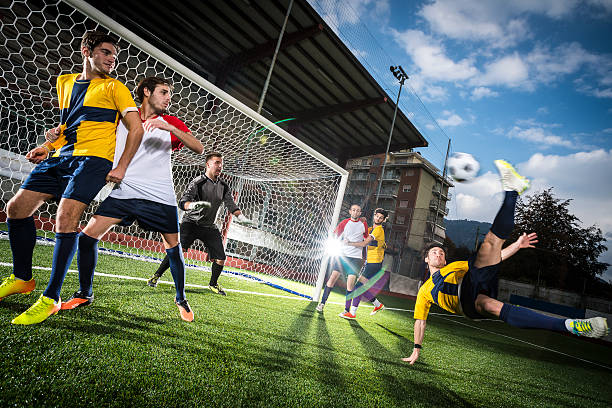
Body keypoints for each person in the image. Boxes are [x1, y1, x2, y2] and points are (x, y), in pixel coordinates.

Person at [401, 160, 609, 365]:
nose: (438, 253)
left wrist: (517, 245)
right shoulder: (425, 291)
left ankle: (512, 191)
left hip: (473, 284)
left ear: (445, 258)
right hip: (468, 305)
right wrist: (416, 349)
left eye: (441, 252)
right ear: (426, 259)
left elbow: (495, 258)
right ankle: (567, 325)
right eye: (434, 252)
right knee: (490, 305)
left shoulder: (454, 267)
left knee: (490, 245)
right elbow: (420, 321)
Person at [0, 31, 144, 325]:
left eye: (114, 56)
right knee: (16, 209)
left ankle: (51, 298)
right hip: (61, 156)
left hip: (93, 160)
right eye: (105, 52)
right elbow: (68, 123)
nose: (111, 59)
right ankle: (22, 277)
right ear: (86, 50)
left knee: (65, 218)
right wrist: (47, 145)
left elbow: (136, 129)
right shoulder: (64, 82)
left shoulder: (116, 88)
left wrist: (122, 167)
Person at [57, 76, 204, 322]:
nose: (169, 98)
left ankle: (180, 298)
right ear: (146, 92)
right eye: (164, 92)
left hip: (160, 196)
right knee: (87, 237)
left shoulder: (170, 121)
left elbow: (199, 148)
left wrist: (171, 128)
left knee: (173, 248)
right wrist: (56, 139)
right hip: (125, 191)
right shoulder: (122, 115)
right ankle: (85, 293)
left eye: (170, 93)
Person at [146, 152, 255, 296]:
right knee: (178, 251)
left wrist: (241, 217)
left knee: (221, 258)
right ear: (208, 164)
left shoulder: (224, 186)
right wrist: (193, 205)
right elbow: (182, 202)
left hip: (209, 227)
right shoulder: (198, 182)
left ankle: (213, 284)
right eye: (217, 162)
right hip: (191, 223)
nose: (220, 166)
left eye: (221, 163)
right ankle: (156, 275)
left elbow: (231, 204)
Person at [316, 204, 368, 315]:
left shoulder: (363, 224)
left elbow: (366, 240)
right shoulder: (344, 223)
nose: (355, 212)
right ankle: (322, 303)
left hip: (356, 258)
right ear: (350, 211)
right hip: (343, 256)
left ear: (360, 213)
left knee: (350, 284)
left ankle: (346, 310)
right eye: (353, 210)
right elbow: (335, 235)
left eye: (358, 210)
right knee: (332, 278)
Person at [340, 207, 388, 319]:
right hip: (369, 262)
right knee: (361, 286)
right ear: (374, 215)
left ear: (383, 220)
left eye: (381, 218)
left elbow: (363, 244)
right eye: (377, 216)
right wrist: (361, 221)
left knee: (358, 286)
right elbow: (362, 231)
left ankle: (352, 313)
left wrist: (348, 243)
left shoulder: (378, 230)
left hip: (374, 263)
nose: (378, 218)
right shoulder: (371, 228)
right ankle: (377, 304)